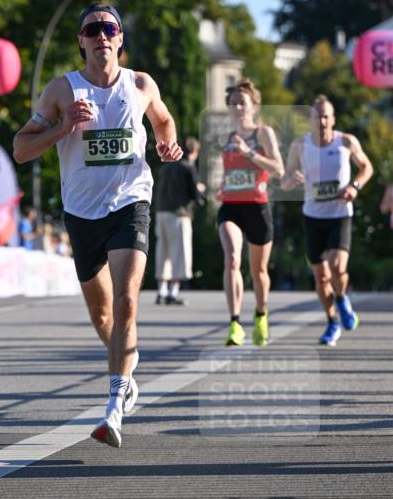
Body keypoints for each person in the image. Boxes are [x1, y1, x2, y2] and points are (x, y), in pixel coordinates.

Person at [13, 2, 182, 449]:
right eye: (93, 29)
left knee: (127, 302)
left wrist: (168, 146)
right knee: (103, 314)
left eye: (110, 28)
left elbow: (163, 122)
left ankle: (113, 407)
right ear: (82, 41)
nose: (101, 35)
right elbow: (21, 149)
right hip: (82, 213)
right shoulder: (61, 90)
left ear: (120, 39)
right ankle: (127, 366)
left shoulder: (141, 84)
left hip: (130, 202)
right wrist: (64, 127)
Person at [281, 94, 373, 346]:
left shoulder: (346, 142)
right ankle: (332, 322)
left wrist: (355, 186)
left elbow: (367, 168)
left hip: (340, 214)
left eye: (326, 116)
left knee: (337, 267)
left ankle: (342, 297)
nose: (321, 121)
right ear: (310, 119)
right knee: (321, 278)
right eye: (317, 116)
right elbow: (286, 181)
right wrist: (293, 180)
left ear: (333, 119)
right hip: (312, 216)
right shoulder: (300, 145)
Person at [217, 80, 284, 346]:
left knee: (259, 272)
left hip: (257, 207)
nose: (237, 108)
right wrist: (222, 187)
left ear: (254, 106)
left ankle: (260, 314)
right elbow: (231, 174)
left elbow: (278, 169)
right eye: (233, 104)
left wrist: (248, 152)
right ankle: (235, 324)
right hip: (231, 207)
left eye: (242, 103)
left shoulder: (263, 133)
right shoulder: (227, 138)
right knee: (232, 259)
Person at [155, 135, 204, 306]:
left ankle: (161, 290)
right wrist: (201, 192)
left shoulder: (167, 166)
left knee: (163, 252)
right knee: (179, 254)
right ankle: (173, 292)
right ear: (194, 151)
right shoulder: (188, 167)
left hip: (161, 212)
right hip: (179, 214)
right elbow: (196, 195)